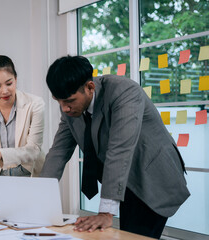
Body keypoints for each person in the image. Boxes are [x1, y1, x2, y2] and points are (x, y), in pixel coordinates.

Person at [40, 55, 190, 239]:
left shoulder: (124, 92)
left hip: (153, 177)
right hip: (124, 181)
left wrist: (105, 213)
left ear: (89, 87)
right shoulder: (71, 108)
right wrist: (40, 199)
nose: (64, 109)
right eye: (59, 101)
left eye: (69, 101)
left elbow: (119, 150)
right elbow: (58, 152)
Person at [0, 54, 45, 197]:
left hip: (30, 175)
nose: (5, 91)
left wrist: (0, 153)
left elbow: (34, 150)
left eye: (9, 83)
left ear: (16, 79)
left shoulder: (35, 104)